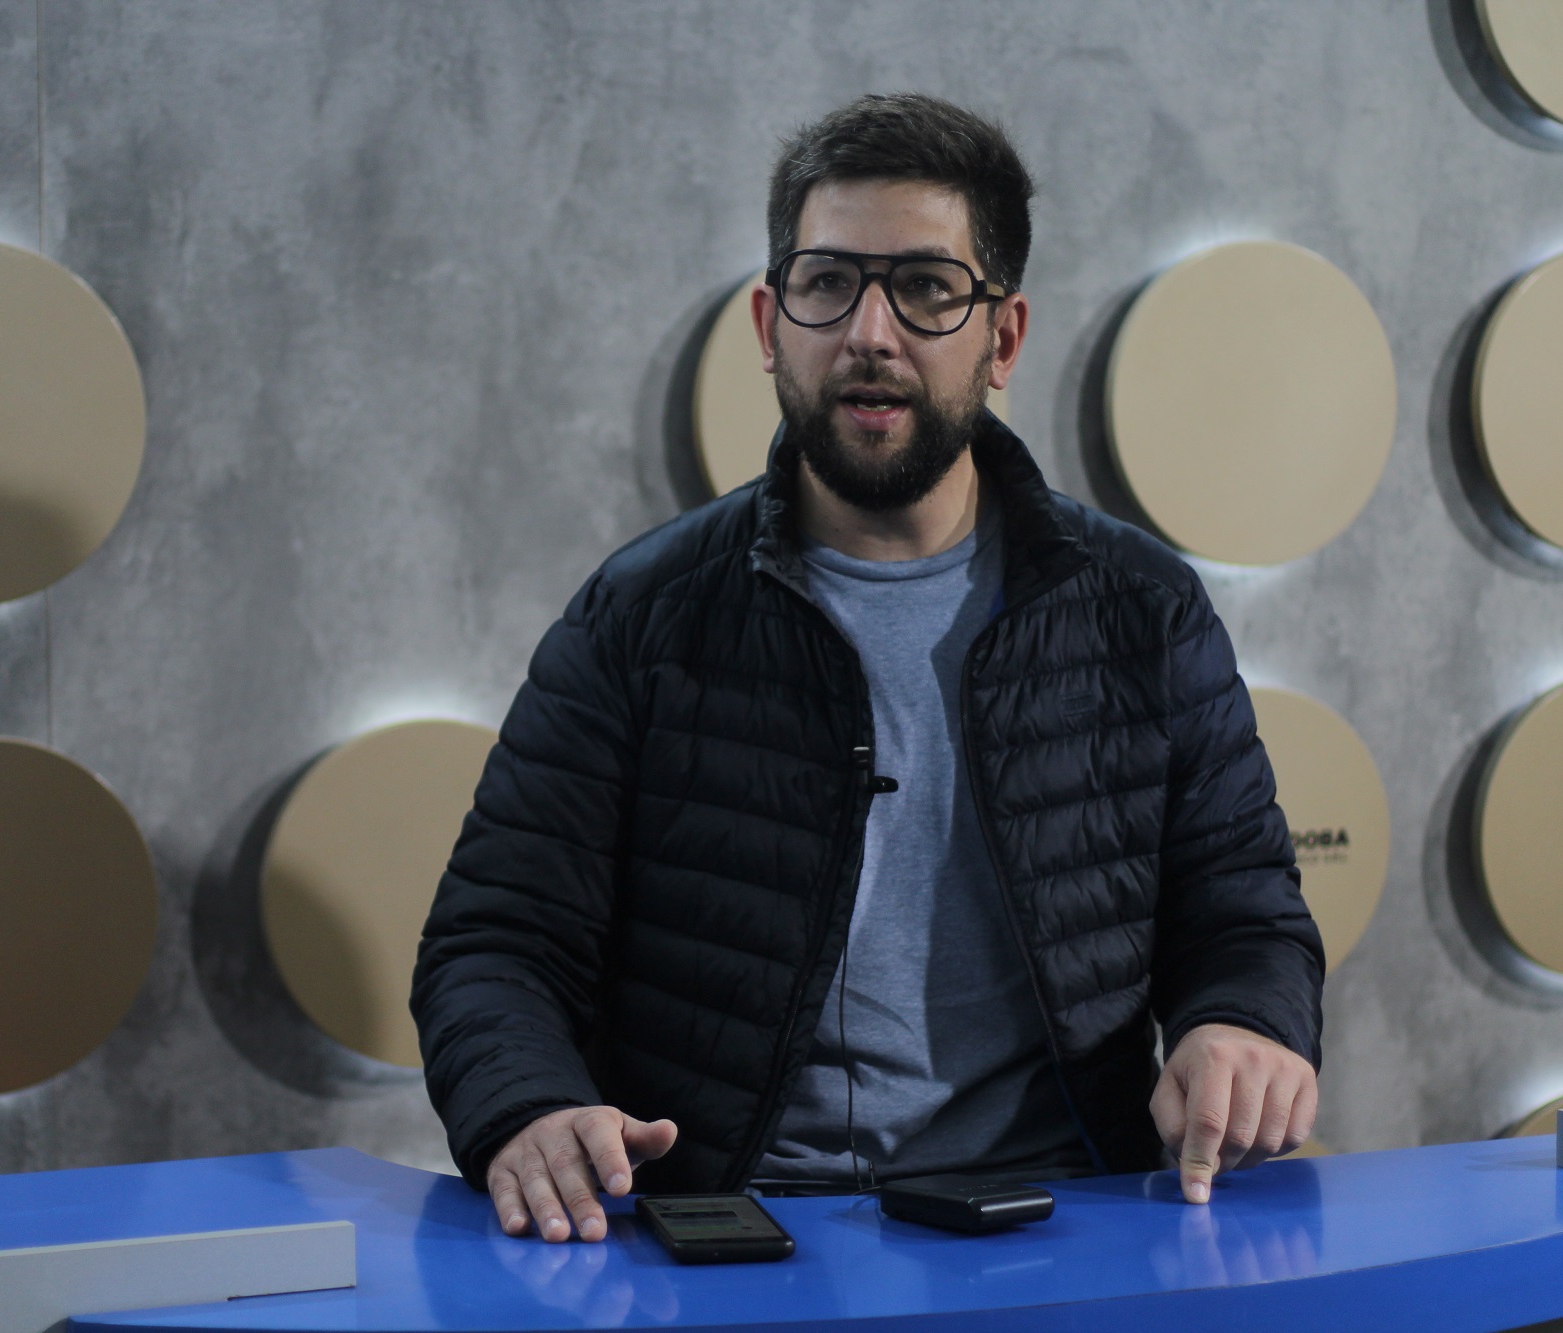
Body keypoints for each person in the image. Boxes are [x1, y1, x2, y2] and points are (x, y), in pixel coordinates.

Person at [412, 92, 1324, 1244]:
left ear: (1002, 338)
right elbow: (496, 943)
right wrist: (529, 1108)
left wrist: (1241, 1021)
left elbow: (1245, 917)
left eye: (926, 288)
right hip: (727, 1226)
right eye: (828, 282)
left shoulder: (1141, 610)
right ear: (768, 323)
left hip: (1063, 1217)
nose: (869, 333)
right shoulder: (641, 615)